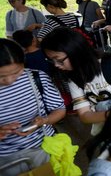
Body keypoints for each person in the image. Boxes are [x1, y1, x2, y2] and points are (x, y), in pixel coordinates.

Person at [41, 27, 111, 135]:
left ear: (75, 51)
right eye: (51, 60)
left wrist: (102, 115)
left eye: (59, 60)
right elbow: (84, 116)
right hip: (106, 131)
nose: (56, 65)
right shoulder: (73, 78)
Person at [0, 38, 66, 176]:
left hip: (43, 150)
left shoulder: (36, 78)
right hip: (5, 160)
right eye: (1, 76)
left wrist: (44, 121)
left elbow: (59, 110)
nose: (9, 80)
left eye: (16, 72)